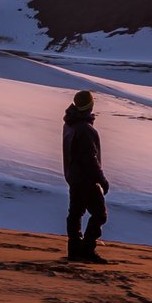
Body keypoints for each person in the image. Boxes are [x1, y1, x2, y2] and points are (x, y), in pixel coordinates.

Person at [62, 87, 108, 263]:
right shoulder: (85, 129)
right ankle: (87, 249)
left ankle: (74, 249)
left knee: (76, 212)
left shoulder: (70, 124)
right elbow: (90, 158)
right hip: (86, 179)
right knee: (99, 214)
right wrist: (102, 180)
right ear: (90, 106)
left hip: (73, 178)